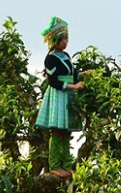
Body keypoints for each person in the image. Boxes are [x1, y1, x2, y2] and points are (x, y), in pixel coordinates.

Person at [35, 17, 86, 178]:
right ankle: (55, 166)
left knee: (66, 132)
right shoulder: (51, 58)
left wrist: (83, 75)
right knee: (57, 132)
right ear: (55, 41)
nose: (65, 42)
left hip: (68, 95)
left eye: (67, 39)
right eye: (62, 39)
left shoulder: (67, 56)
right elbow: (54, 81)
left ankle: (67, 165)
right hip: (58, 95)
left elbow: (72, 74)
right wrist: (74, 86)